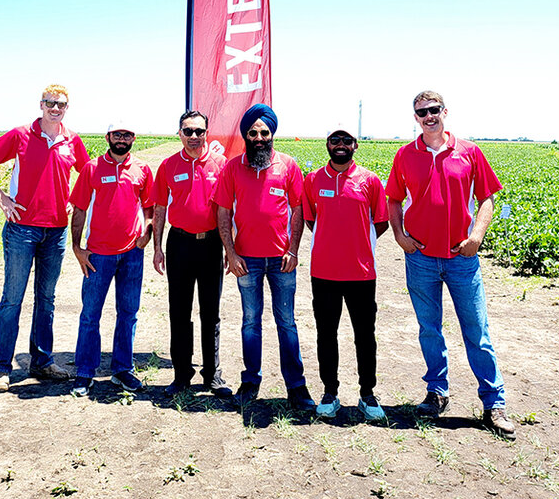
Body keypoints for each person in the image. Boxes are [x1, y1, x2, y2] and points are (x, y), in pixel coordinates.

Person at [385, 90, 516, 439]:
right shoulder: (405, 156)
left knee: (477, 331)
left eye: (433, 110)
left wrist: (476, 237)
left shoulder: (469, 151)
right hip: (422, 259)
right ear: (415, 117)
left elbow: (486, 198)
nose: (428, 116)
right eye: (421, 112)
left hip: (461, 258)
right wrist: (399, 235)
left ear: (445, 111)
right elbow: (393, 200)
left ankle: (493, 403)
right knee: (430, 329)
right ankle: (436, 392)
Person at [0, 84, 89, 393]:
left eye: (61, 104)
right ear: (41, 104)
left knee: (47, 299)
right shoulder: (21, 135)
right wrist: (1, 198)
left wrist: (75, 200)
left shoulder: (72, 141)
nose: (55, 108)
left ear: (67, 107)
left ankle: (42, 361)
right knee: (12, 299)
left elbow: (87, 176)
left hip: (56, 231)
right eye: (50, 102)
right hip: (21, 229)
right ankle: (1, 368)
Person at [214, 104, 315, 410]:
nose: (259, 137)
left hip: (282, 261)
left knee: (286, 322)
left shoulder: (288, 166)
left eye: (264, 132)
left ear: (272, 134)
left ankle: (296, 387)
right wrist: (230, 254)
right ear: (245, 135)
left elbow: (297, 209)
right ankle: (250, 381)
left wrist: (293, 250)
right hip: (247, 261)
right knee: (250, 322)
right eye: (252, 133)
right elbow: (223, 211)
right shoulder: (232, 168)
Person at [302, 124, 389, 421]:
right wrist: (332, 240)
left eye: (346, 140)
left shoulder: (370, 180)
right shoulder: (313, 180)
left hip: (362, 273)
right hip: (324, 272)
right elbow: (311, 219)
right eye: (334, 139)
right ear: (327, 144)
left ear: (355, 145)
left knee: (365, 335)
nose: (340, 144)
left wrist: (357, 243)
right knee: (326, 334)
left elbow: (381, 221)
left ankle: (367, 394)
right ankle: (330, 392)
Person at [148, 110, 231, 397]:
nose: (194, 137)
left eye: (199, 131)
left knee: (211, 312)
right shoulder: (169, 165)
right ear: (179, 133)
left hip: (211, 246)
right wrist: (157, 248)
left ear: (207, 133)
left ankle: (212, 375)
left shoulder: (222, 164)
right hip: (179, 244)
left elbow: (230, 209)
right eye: (188, 131)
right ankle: (182, 374)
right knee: (179, 312)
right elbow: (159, 208)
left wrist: (229, 248)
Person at [69, 122, 154, 397]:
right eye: (117, 134)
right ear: (108, 137)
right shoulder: (92, 169)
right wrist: (77, 247)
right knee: (90, 315)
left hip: (132, 254)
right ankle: (84, 373)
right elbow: (79, 209)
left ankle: (122, 370)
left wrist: (147, 234)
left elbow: (150, 207)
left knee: (128, 314)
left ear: (133, 138)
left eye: (127, 134)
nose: (122, 139)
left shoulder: (142, 169)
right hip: (98, 255)